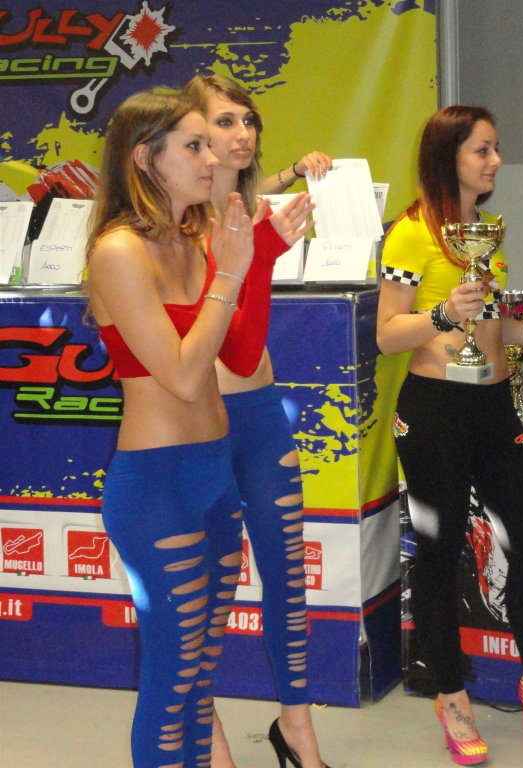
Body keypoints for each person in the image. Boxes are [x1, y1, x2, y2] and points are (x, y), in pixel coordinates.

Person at [376, 104, 523, 765]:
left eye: (495, 149)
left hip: (494, 407)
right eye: (482, 150)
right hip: (434, 409)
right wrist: (440, 314)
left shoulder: (486, 234)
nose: (496, 161)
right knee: (438, 553)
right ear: (448, 158)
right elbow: (387, 335)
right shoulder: (410, 234)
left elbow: (489, 325)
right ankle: (451, 696)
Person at [86, 89, 252, 768]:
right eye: (194, 145)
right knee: (172, 675)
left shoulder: (194, 240)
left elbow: (236, 354)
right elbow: (181, 376)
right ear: (144, 159)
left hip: (214, 472)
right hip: (157, 487)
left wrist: (248, 261)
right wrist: (230, 275)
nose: (211, 157)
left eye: (209, 144)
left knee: (200, 675)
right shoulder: (118, 252)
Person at [180, 74, 330, 768]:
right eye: (224, 121)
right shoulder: (176, 225)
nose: (241, 133)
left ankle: (297, 731)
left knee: (288, 579)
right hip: (201, 423)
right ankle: (207, 739)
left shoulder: (253, 209)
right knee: (206, 598)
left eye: (248, 120)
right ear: (191, 134)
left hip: (262, 415)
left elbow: (247, 343)